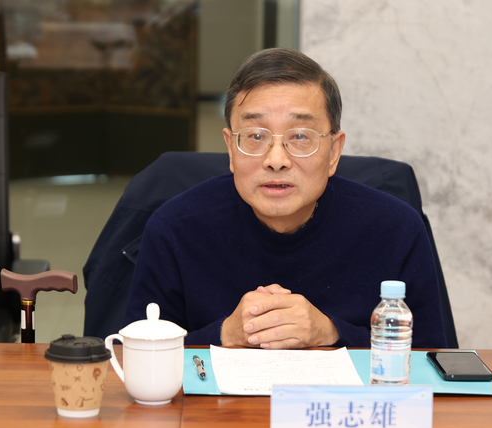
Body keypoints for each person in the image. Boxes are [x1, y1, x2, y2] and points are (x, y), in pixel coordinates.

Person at [123, 48, 447, 349]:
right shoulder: (174, 229)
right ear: (231, 149)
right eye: (255, 136)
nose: (276, 160)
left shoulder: (396, 230)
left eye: (300, 136)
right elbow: (133, 357)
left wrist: (331, 333)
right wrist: (225, 334)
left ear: (334, 152)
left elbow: (430, 358)